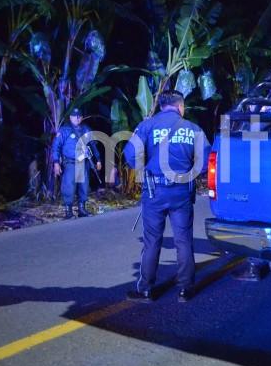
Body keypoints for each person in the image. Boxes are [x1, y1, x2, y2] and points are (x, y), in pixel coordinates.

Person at [123, 90, 210, 303]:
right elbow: (207, 161)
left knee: (152, 241)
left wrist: (147, 168)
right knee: (183, 240)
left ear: (162, 106)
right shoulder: (193, 129)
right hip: (181, 192)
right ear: (180, 106)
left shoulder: (146, 126)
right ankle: (186, 289)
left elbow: (130, 154)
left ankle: (145, 290)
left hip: (154, 191)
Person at [51, 108, 102, 219]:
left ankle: (81, 209)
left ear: (82, 118)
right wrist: (56, 162)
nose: (77, 118)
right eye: (74, 116)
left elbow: (93, 145)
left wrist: (98, 159)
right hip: (70, 162)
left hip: (83, 162)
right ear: (70, 118)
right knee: (69, 185)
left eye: (79, 116)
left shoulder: (86, 129)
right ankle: (68, 211)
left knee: (83, 186)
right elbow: (56, 147)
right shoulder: (64, 130)